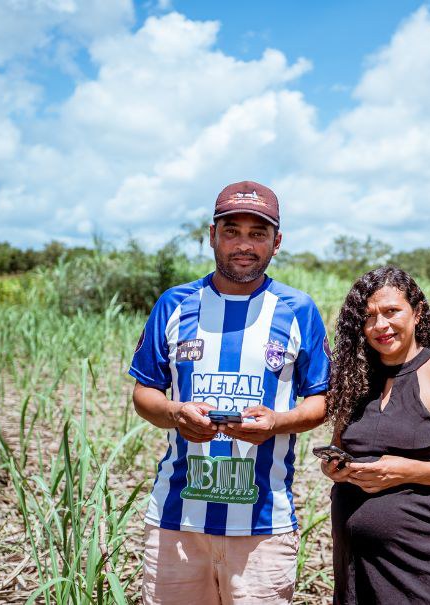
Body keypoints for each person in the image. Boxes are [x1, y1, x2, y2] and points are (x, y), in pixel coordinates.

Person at [129, 181, 331, 604]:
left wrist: (279, 422)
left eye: (257, 234)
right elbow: (145, 393)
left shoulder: (297, 309)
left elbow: (319, 402)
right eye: (232, 231)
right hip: (176, 523)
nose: (244, 244)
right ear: (212, 236)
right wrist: (176, 413)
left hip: (262, 528)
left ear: (277, 242)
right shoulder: (174, 303)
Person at [321, 266, 430, 605]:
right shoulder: (356, 378)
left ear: (416, 313)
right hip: (353, 558)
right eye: (369, 316)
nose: (380, 326)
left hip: (417, 558)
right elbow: (341, 448)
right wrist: (333, 467)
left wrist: (405, 470)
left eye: (391, 312)